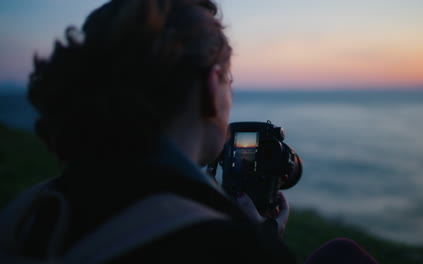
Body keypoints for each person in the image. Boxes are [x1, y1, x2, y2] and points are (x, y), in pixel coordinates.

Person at [0, 0, 379, 263]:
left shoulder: (28, 209)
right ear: (213, 86)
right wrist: (260, 244)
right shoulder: (224, 248)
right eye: (229, 81)